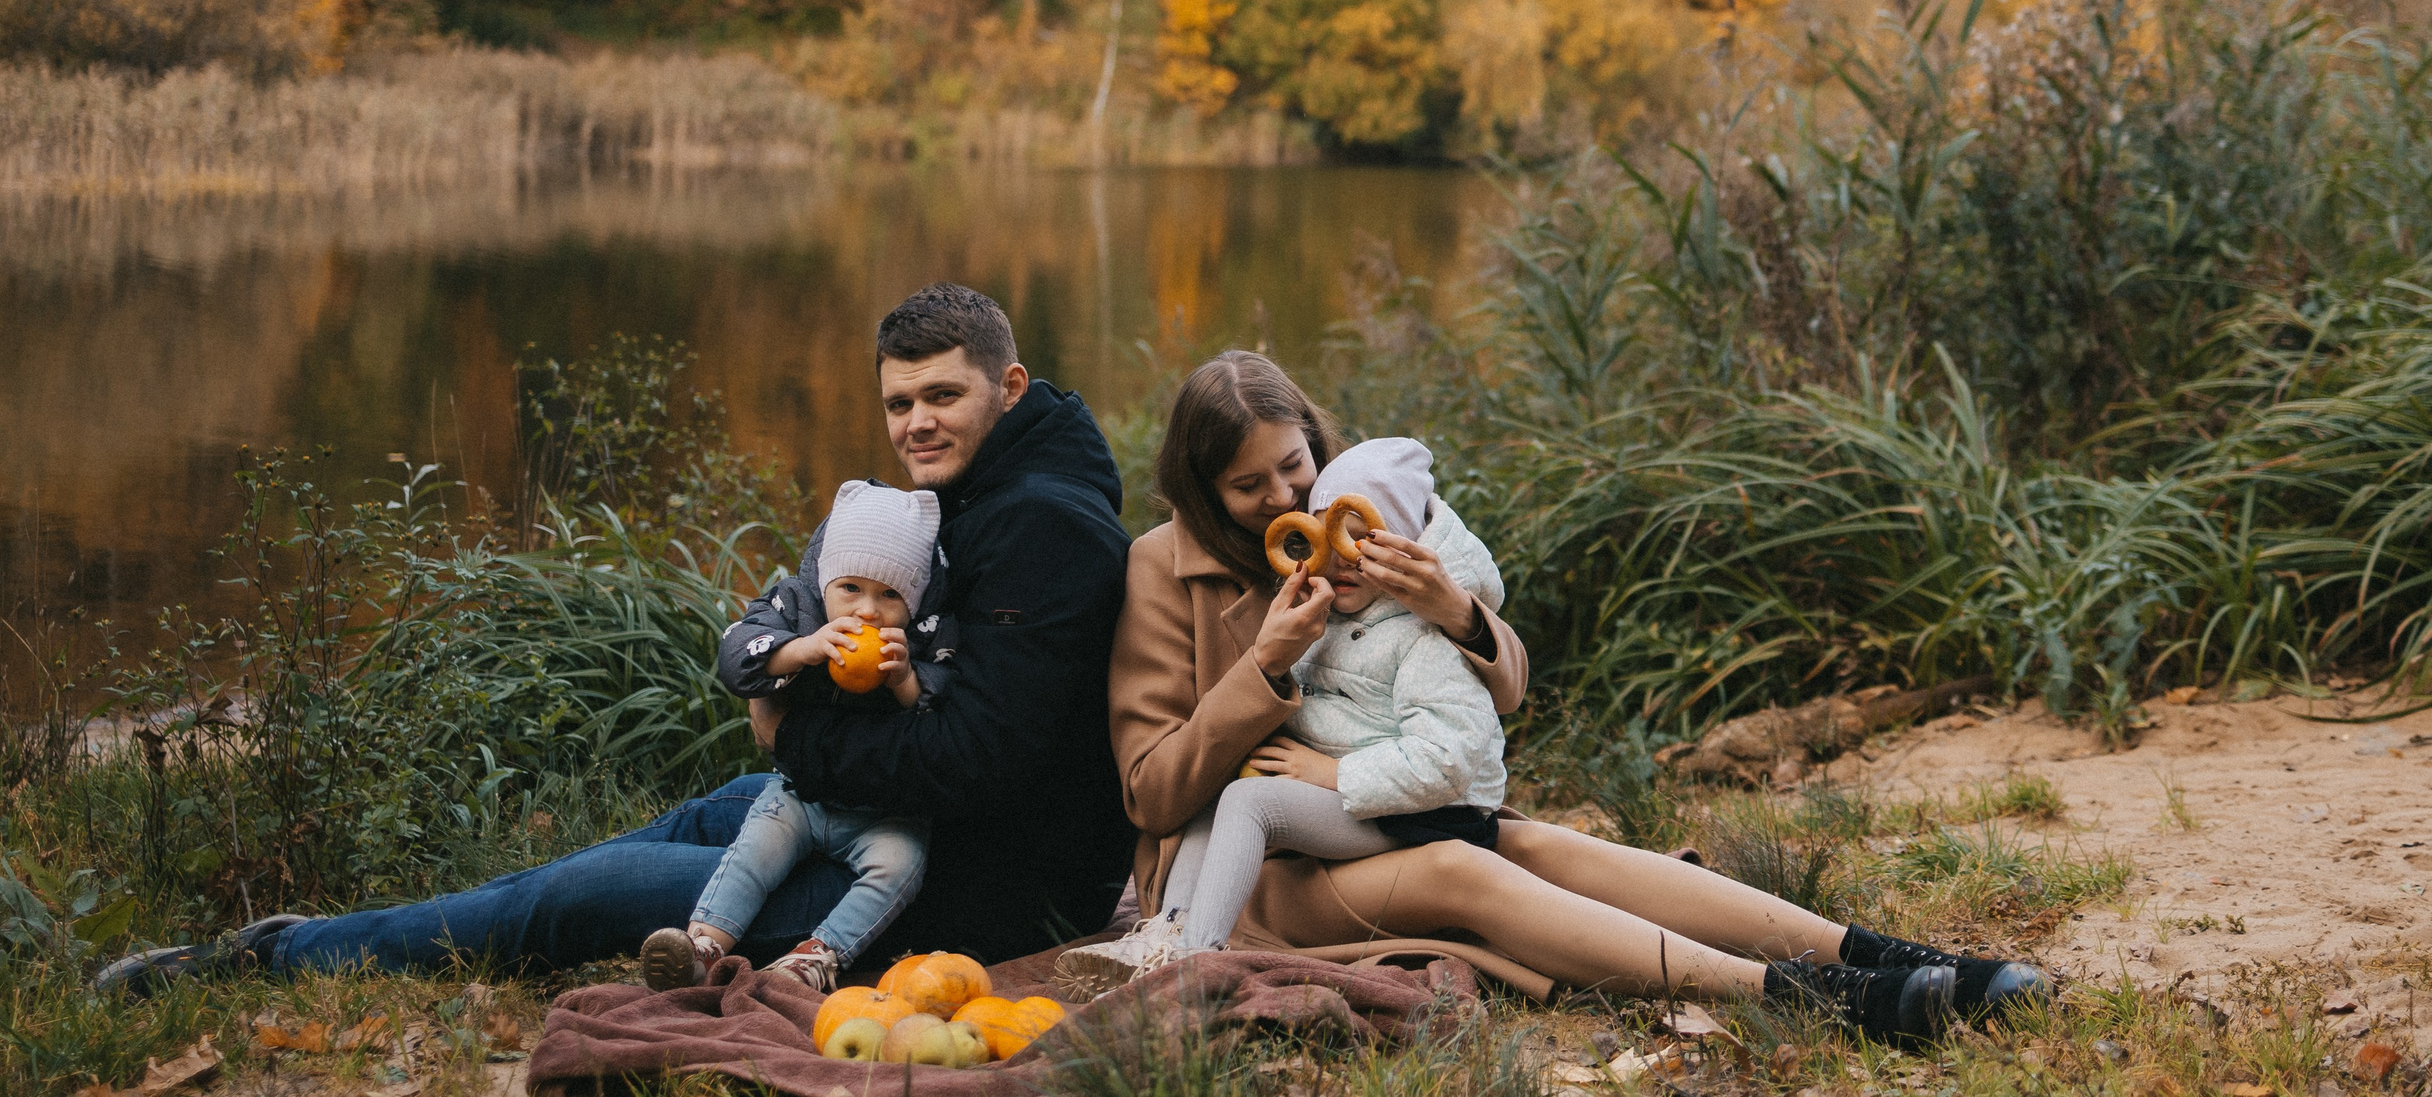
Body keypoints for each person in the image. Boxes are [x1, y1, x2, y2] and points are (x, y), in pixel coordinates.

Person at [97, 284, 1135, 991]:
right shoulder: (985, 486)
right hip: (868, 807)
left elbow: (978, 761)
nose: (915, 424)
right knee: (632, 852)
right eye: (898, 402)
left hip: (958, 885)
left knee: (578, 899)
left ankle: (272, 960)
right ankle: (349, 938)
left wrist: (789, 740)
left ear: (1007, 386)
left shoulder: (1045, 525)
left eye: (941, 395)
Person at [1106, 351, 2049, 1045]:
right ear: (1201, 487)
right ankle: (1812, 999)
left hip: (1387, 802)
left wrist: (1458, 611)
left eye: (1295, 466)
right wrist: (1264, 666)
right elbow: (1151, 792)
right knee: (1467, 873)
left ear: (1319, 449)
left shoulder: (1372, 529)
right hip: (1254, 867)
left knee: (1550, 844)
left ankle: (1885, 955)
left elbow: (1501, 693)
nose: (1282, 496)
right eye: (1247, 485)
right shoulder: (1162, 569)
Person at [1056, 435, 1508, 998]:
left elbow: (1449, 757)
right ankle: (1163, 938)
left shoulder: (1421, 630)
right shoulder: (1336, 610)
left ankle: (1196, 964)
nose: (1342, 557)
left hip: (1423, 813)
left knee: (1252, 801)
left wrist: (1330, 774)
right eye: (1328, 538)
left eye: (1362, 541)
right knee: (1223, 791)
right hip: (1370, 798)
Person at [640, 480, 943, 994]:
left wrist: (905, 679)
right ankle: (703, 945)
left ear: (913, 600)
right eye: (851, 589)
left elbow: (944, 707)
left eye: (890, 594)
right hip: (801, 794)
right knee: (756, 851)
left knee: (900, 868)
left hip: (886, 813)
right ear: (825, 582)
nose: (867, 611)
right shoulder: (795, 605)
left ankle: (817, 958)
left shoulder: (922, 635)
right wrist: (801, 650)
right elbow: (737, 656)